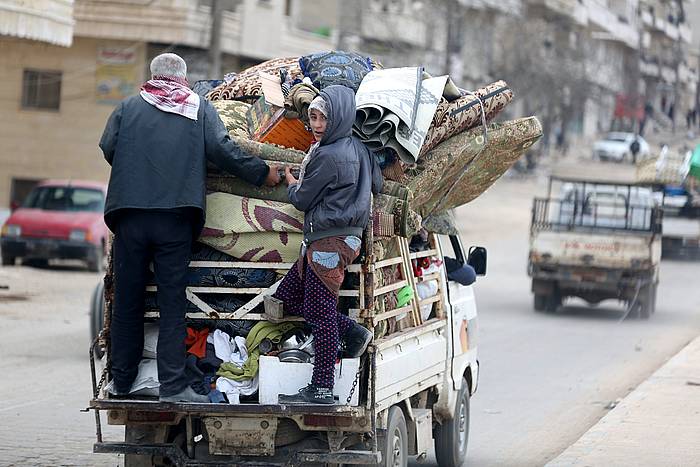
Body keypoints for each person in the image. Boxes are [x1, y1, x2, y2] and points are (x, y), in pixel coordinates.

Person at [99, 53, 281, 403]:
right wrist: (262, 173)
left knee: (127, 301)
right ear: (183, 78)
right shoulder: (197, 108)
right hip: (175, 218)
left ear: (153, 75)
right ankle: (171, 385)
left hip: (129, 217)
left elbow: (109, 148)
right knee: (171, 302)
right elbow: (223, 150)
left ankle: (121, 382)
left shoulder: (126, 107)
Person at [273, 86, 382, 405]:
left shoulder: (327, 154)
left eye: (324, 118)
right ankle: (353, 331)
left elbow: (304, 199)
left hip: (327, 243)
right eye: (314, 118)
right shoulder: (359, 149)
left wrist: (292, 184)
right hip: (344, 240)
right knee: (288, 296)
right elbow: (377, 184)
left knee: (320, 317)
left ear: (340, 118)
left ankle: (321, 389)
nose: (318, 124)